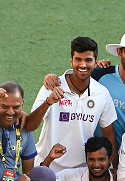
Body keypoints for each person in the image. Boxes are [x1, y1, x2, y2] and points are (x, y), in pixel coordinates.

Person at [44, 32, 125, 147]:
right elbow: (77, 76)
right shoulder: (99, 74)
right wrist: (52, 76)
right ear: (119, 52)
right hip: (90, 154)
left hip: (123, 154)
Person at [28, 36, 118, 173]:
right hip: (47, 165)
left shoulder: (102, 93)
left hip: (80, 172)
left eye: (88, 60)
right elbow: (30, 126)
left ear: (96, 62)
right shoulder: (52, 85)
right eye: (78, 60)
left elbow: (109, 135)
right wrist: (48, 103)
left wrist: (114, 168)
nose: (83, 65)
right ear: (71, 61)